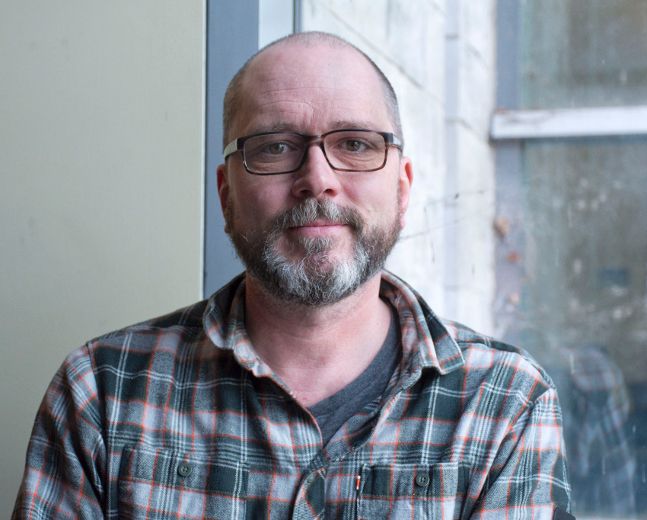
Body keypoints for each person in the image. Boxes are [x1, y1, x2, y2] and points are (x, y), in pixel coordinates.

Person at [13, 31, 572, 519]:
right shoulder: (103, 393)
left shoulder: (504, 405)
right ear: (226, 195)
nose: (317, 178)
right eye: (276, 147)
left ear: (402, 189)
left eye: (355, 144)